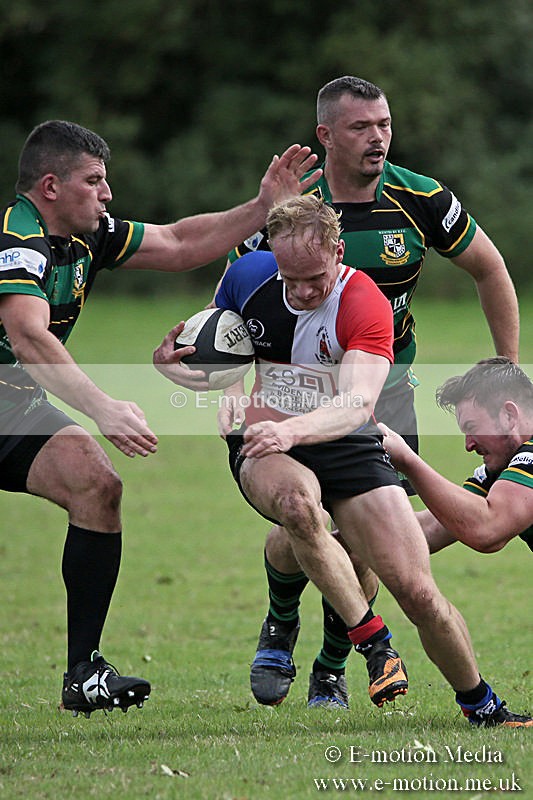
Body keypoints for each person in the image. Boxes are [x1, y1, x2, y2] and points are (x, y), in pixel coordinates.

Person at [155, 194, 530, 727]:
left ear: (337, 250)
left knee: (418, 590)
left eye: (314, 278)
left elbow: (357, 403)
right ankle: (371, 643)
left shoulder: (366, 302)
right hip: (265, 439)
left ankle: (482, 704)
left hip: (343, 439)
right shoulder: (247, 275)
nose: (302, 292)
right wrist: (178, 368)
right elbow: (220, 346)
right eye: (290, 279)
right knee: (298, 506)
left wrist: (294, 429)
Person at [214, 75, 520, 709]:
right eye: (361, 127)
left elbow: (490, 267)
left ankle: (331, 665)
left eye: (384, 124)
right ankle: (285, 620)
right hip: (292, 401)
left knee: (363, 546)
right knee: (304, 516)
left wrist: (507, 371)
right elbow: (237, 316)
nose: (378, 137)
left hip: (384, 394)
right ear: (326, 135)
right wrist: (232, 390)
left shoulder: (420, 198)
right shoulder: (292, 214)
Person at [0, 119, 321, 718]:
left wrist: (261, 207)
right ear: (50, 186)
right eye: (94, 181)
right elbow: (26, 334)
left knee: (97, 486)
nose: (107, 194)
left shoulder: (84, 235)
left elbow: (177, 244)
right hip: (12, 390)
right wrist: (102, 407)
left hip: (9, 402)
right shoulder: (18, 240)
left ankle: (84, 673)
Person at [379, 358, 533, 556]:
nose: (468, 445)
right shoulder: (501, 468)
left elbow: (488, 531)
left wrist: (408, 461)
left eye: (472, 428)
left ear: (509, 416)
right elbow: (429, 530)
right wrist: (341, 540)